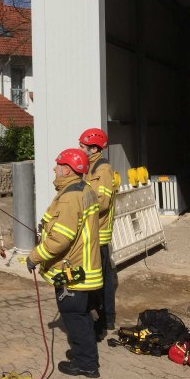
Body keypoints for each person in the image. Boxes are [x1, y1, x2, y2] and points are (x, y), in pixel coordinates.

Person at [26, 148, 102, 378]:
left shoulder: (69, 198)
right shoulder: (83, 189)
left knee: (74, 316)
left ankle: (86, 364)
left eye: (58, 165)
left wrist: (34, 256)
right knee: (82, 315)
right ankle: (84, 353)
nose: (54, 168)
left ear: (67, 170)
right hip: (85, 266)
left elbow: (60, 240)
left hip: (74, 271)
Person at [79, 128, 117, 338]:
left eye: (82, 146)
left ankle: (105, 320)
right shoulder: (91, 167)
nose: (80, 149)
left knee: (101, 280)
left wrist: (78, 209)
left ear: (94, 149)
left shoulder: (102, 170)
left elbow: (102, 202)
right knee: (101, 278)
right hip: (93, 231)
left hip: (99, 232)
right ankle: (104, 319)